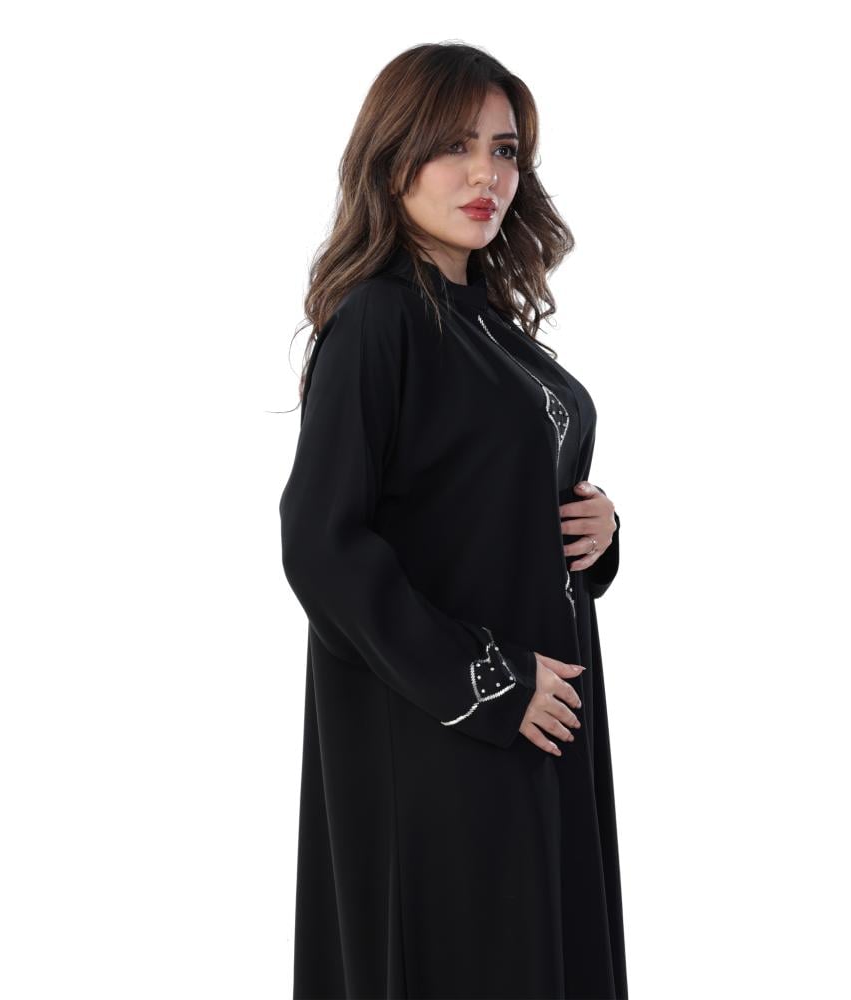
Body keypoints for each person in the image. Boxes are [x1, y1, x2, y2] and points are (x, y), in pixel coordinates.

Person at [279, 42, 628, 999]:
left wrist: (599, 530)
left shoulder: (487, 324)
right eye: (455, 147)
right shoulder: (378, 320)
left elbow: (483, 494)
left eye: (505, 150)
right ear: (394, 159)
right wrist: (488, 682)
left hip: (537, 724)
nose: (487, 176)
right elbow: (321, 542)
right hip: (447, 737)